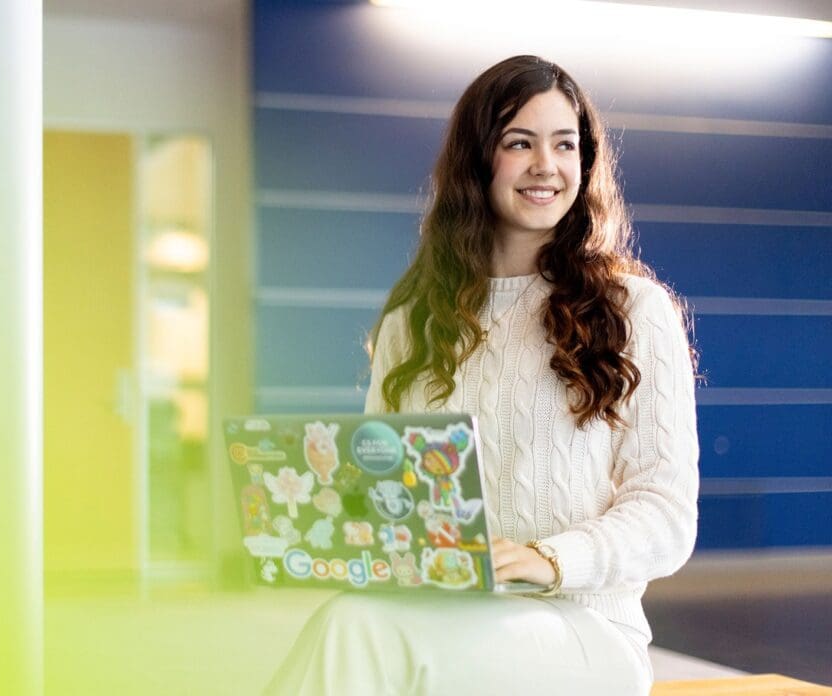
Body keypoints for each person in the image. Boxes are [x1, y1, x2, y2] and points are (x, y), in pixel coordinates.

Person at [264, 55, 699, 695]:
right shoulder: (412, 325)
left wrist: (546, 559)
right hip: (448, 616)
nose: (545, 166)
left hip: (583, 630)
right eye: (518, 143)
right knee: (354, 619)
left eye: (563, 144)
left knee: (361, 634)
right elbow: (391, 504)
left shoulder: (633, 311)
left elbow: (666, 516)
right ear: (477, 161)